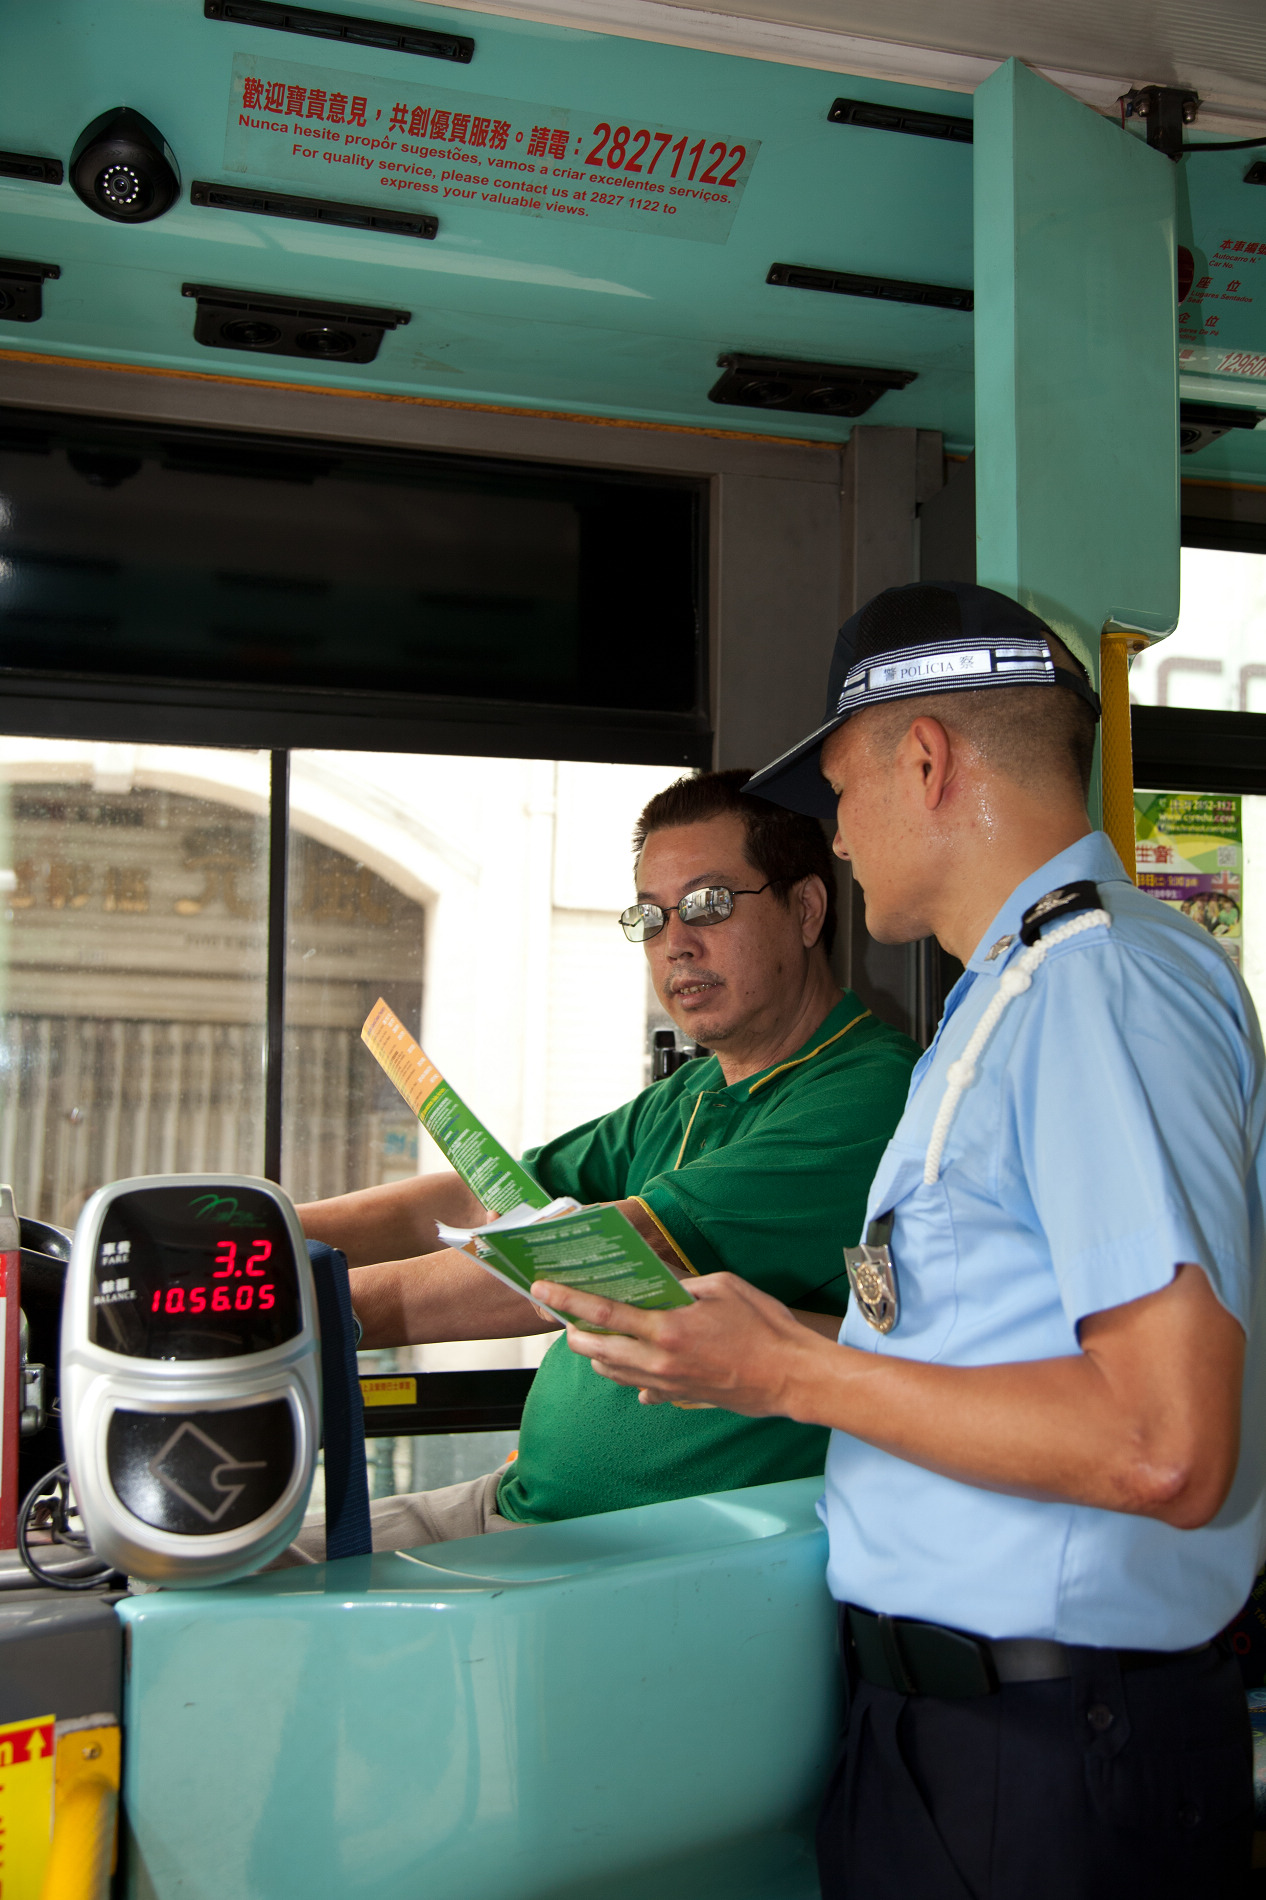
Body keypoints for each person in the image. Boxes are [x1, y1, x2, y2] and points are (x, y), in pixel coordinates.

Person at [537, 583, 1265, 1899]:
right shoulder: (1007, 1000)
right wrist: (763, 1346)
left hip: (1045, 1750)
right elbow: (991, 1350)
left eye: (837, 793)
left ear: (924, 759)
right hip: (944, 1726)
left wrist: (789, 1374)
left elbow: (1164, 1443)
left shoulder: (1096, 988)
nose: (837, 837)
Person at [290, 767, 917, 1560]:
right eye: (651, 917)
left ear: (806, 909)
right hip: (523, 1502)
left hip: (649, 1557)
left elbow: (584, 1260)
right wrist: (256, 1234)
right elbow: (485, 1200)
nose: (675, 942)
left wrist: (288, 1313)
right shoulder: (688, 1095)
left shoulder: (867, 1094)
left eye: (709, 904)